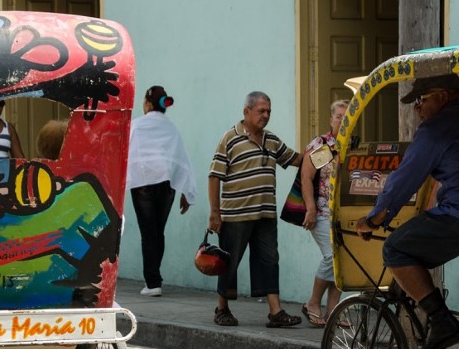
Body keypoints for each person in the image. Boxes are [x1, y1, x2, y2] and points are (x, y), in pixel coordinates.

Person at [355, 73, 459, 349]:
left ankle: (440, 320)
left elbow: (404, 179)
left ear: (443, 96)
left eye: (421, 100)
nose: (416, 108)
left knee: (396, 248)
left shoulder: (436, 129)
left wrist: (376, 218)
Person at [208, 91, 303, 328]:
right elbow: (214, 176)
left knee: (270, 260)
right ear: (246, 111)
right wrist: (215, 213)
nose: (266, 116)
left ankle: (275, 311)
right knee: (230, 262)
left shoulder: (271, 140)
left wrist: (325, 149)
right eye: (261, 111)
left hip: (265, 215)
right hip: (236, 215)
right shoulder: (230, 138)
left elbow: (295, 159)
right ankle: (222, 309)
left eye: (269, 111)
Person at [126, 86, 197, 297]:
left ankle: (153, 282)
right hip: (167, 185)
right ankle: (155, 279)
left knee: (148, 233)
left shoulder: (136, 126)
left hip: (143, 184)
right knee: (158, 232)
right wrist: (186, 191)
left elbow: (124, 154)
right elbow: (181, 159)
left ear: (148, 103)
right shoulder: (171, 128)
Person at [299, 99, 348, 326]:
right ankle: (313, 302)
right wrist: (310, 208)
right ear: (331, 119)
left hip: (344, 215)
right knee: (332, 257)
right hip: (321, 213)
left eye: (346, 117)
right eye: (338, 116)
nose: (342, 120)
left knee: (342, 262)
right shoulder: (326, 147)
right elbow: (306, 176)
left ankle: (334, 312)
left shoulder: (351, 145)